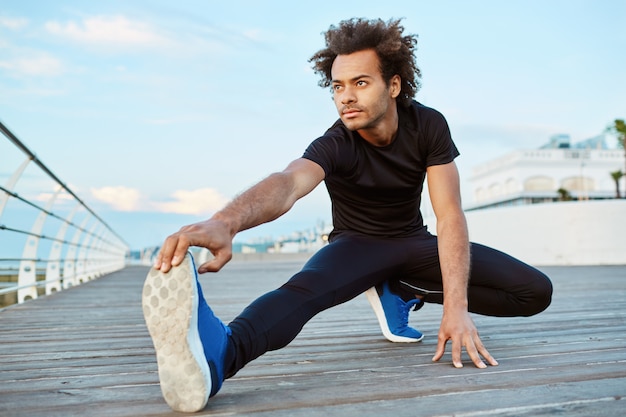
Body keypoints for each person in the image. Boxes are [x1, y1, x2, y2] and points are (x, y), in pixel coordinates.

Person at [142, 18, 553, 412]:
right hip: (357, 245)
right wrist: (226, 221)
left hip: (413, 242)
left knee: (534, 291)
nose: (346, 97)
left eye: (360, 82)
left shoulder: (427, 125)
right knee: (303, 292)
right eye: (337, 86)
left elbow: (449, 216)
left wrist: (456, 307)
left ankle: (404, 288)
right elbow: (287, 183)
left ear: (393, 85)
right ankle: (219, 354)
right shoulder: (336, 143)